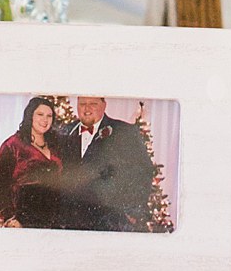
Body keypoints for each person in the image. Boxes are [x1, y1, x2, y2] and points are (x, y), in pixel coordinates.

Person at [51, 96, 158, 231]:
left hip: (109, 223)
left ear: (104, 105)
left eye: (93, 104)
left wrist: (131, 211)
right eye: (82, 103)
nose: (86, 108)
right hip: (70, 223)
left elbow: (143, 171)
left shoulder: (123, 131)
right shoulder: (64, 131)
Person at [0, 96, 63, 227]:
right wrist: (9, 218)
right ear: (30, 115)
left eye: (49, 116)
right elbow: (2, 185)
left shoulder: (55, 145)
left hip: (54, 219)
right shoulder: (12, 145)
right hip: (22, 219)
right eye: (40, 114)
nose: (45, 120)